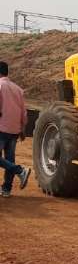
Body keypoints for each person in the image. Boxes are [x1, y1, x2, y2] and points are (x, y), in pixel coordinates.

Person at [0, 61, 31, 197]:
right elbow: (23, 111)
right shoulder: (17, 89)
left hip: (1, 127)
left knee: (8, 161)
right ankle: (6, 189)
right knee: (9, 158)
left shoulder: (0, 86)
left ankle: (20, 171)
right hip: (14, 129)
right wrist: (23, 128)